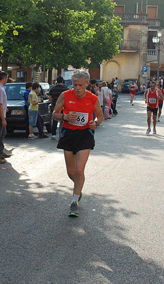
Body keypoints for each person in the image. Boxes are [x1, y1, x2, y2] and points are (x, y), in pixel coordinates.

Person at [52, 70, 103, 218]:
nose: (77, 88)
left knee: (79, 171)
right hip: (68, 134)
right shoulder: (65, 95)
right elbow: (55, 114)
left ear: (87, 84)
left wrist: (95, 123)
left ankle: (74, 200)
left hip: (85, 135)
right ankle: (78, 188)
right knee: (71, 172)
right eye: (75, 85)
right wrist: (65, 116)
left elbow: (100, 116)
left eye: (81, 85)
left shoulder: (92, 98)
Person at [0, 72, 10, 158]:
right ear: (4, 78)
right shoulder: (0, 89)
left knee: (2, 132)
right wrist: (3, 118)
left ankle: (0, 150)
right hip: (0, 115)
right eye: (6, 78)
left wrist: (5, 108)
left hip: (2, 113)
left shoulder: (0, 88)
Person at [48, 76, 68, 140]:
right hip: (63, 107)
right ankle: (61, 133)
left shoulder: (53, 88)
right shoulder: (65, 89)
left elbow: (50, 98)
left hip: (55, 106)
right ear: (62, 81)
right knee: (63, 120)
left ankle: (53, 134)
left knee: (54, 120)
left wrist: (52, 104)